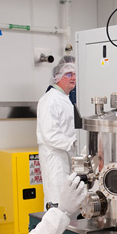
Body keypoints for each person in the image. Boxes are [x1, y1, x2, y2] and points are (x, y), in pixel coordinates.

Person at [37, 58, 78, 207]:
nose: (73, 77)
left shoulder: (65, 98)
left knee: (68, 201)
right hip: (54, 158)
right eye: (68, 74)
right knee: (56, 200)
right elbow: (50, 134)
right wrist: (72, 143)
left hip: (66, 155)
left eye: (74, 73)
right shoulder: (50, 99)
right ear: (57, 78)